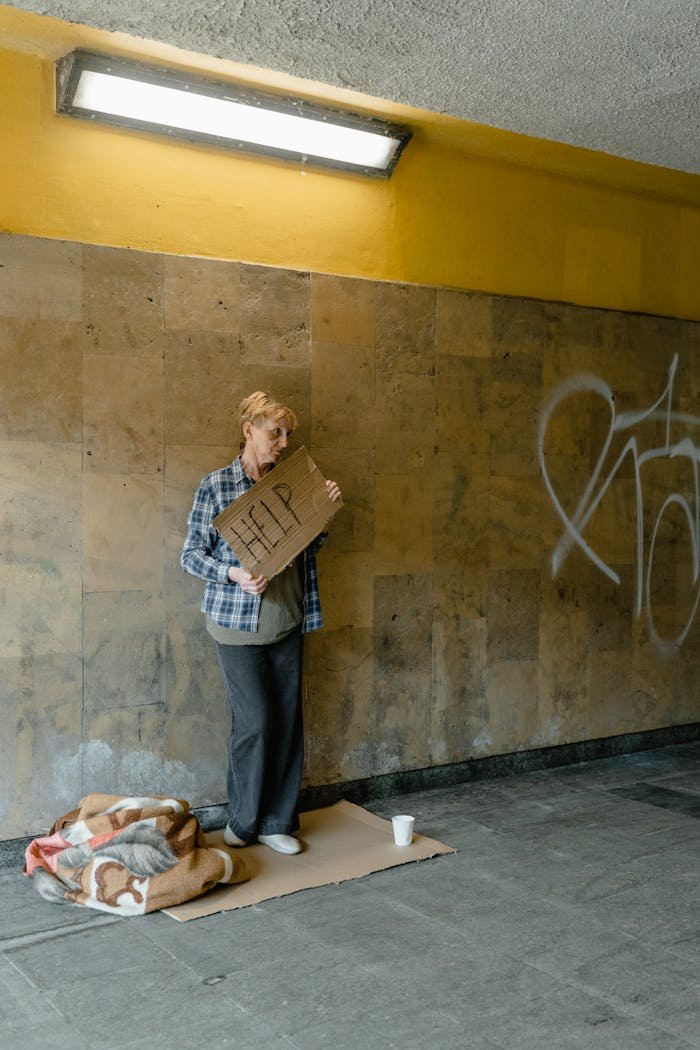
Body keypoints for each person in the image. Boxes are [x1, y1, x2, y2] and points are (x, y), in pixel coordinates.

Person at [180, 392, 341, 856]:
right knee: (254, 722)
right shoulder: (215, 487)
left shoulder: (292, 483)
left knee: (288, 723)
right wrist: (231, 574)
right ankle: (244, 821)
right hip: (235, 626)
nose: (284, 443)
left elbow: (308, 548)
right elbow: (190, 555)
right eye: (276, 433)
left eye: (288, 434)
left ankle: (276, 823)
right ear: (248, 430)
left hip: (288, 619)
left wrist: (322, 512)